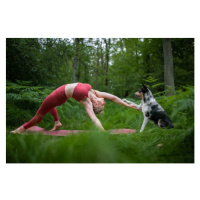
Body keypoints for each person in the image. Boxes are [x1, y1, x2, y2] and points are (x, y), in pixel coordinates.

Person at [11, 82, 139, 133]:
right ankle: (57, 122)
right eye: (104, 104)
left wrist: (103, 132)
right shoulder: (96, 93)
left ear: (95, 105)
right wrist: (130, 106)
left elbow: (94, 119)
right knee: (50, 106)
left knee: (38, 116)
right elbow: (114, 98)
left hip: (58, 96)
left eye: (102, 105)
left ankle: (20, 129)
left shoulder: (88, 102)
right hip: (59, 95)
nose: (104, 102)